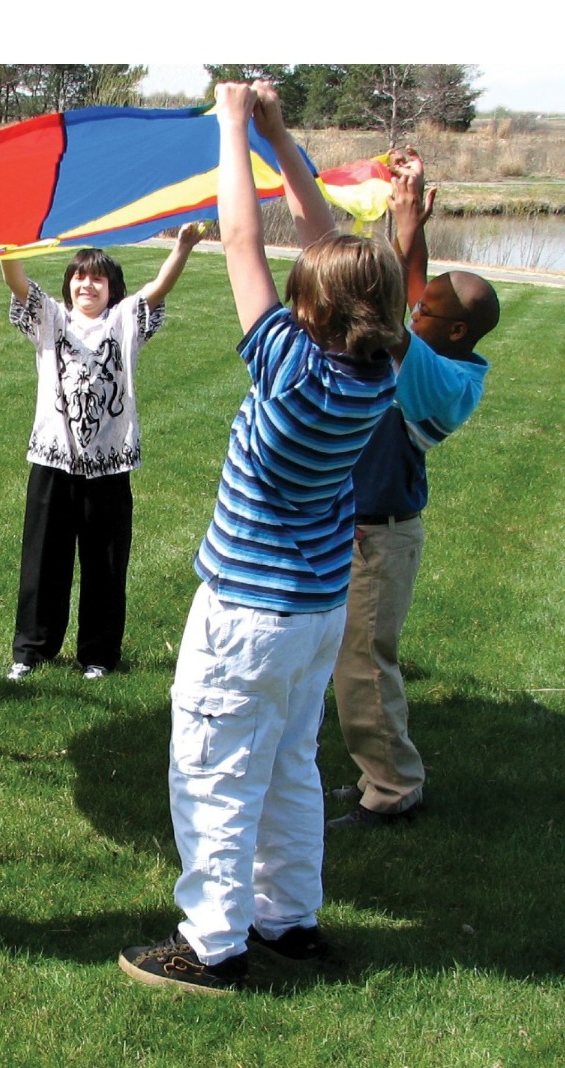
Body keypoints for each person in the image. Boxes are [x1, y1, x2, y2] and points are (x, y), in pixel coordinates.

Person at [118, 81, 405, 992]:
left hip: (247, 613)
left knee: (212, 770)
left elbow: (243, 241)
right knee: (285, 767)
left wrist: (235, 126)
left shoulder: (290, 371)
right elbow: (334, 258)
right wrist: (286, 145)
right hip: (315, 612)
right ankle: (289, 921)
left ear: (310, 316)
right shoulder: (380, 373)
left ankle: (212, 946)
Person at [327, 148, 499, 830]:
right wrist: (410, 225)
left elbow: (396, 313)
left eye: (429, 311)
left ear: (453, 329)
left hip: (379, 536)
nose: (414, 312)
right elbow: (412, 298)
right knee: (349, 661)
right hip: (364, 528)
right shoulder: (442, 355)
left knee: (366, 664)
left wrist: (406, 229)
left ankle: (394, 789)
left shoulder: (444, 381)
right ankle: (376, 774)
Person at [2, 225, 203, 682]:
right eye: (78, 277)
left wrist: (183, 247)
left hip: (109, 465)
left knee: (105, 562)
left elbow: (158, 289)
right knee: (43, 560)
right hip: (52, 461)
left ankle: (98, 653)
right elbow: (17, 283)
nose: (85, 285)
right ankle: (31, 650)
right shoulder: (51, 320)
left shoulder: (124, 322)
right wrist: (7, 242)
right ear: (68, 284)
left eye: (96, 279)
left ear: (112, 289)